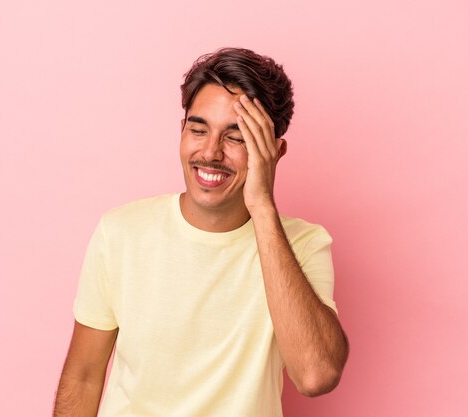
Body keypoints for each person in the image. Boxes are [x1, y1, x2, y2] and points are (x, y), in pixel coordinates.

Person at [53, 47, 349, 417]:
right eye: (198, 129)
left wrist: (262, 207)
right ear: (182, 131)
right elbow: (82, 376)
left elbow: (316, 375)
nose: (210, 152)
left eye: (237, 137)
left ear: (274, 152)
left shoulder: (304, 245)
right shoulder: (121, 233)